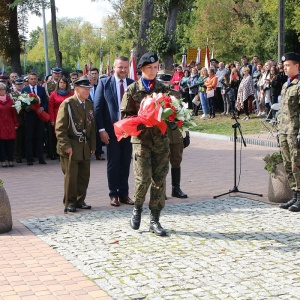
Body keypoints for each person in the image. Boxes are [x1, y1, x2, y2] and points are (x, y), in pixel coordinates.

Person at [121, 52, 170, 236]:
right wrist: (143, 119)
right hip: (141, 141)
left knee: (159, 180)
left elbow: (172, 112)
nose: (153, 71)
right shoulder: (132, 90)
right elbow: (125, 116)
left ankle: (155, 220)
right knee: (143, 179)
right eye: (149, 68)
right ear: (141, 70)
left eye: (155, 67)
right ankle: (137, 208)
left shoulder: (163, 89)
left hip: (160, 141)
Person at [94, 56, 134, 207]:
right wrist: (101, 130)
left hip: (128, 132)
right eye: (120, 67)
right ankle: (113, 194)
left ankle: (124, 194)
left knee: (125, 162)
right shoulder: (104, 83)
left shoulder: (132, 84)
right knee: (113, 163)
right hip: (110, 132)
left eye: (125, 67)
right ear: (114, 68)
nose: (123, 70)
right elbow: (97, 109)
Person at [55, 76, 96, 213]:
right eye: (85, 88)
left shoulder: (89, 103)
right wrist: (66, 146)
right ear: (76, 89)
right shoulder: (68, 104)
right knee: (71, 176)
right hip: (71, 145)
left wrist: (93, 145)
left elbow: (92, 127)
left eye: (89, 88)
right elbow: (60, 128)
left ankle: (80, 200)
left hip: (84, 145)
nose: (87, 91)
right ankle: (70, 202)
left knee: (84, 175)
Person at [277, 52, 300, 212]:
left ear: (297, 66)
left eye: (288, 65)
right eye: (284, 66)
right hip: (284, 130)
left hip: (295, 130)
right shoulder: (286, 85)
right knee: (287, 163)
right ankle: (294, 195)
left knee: (297, 164)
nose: (284, 68)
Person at [22, 72, 48, 165]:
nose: (33, 80)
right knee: (29, 138)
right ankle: (29, 159)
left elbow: (45, 102)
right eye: (31, 79)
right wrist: (27, 107)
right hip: (29, 117)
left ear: (37, 79)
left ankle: (41, 158)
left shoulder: (41, 89)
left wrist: (42, 108)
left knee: (39, 137)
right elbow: (22, 103)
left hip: (39, 117)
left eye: (35, 79)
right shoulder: (25, 90)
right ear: (28, 80)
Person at [49, 77, 74, 158]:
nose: (62, 84)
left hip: (69, 117)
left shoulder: (71, 93)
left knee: (68, 134)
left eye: (64, 83)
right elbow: (51, 108)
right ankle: (57, 153)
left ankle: (67, 151)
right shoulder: (53, 94)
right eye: (60, 83)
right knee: (59, 135)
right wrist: (52, 120)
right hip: (57, 117)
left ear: (66, 84)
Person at [0, 82, 18, 167]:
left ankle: (10, 159)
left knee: (10, 143)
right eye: (0, 89)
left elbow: (14, 113)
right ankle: (3, 160)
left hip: (10, 124)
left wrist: (16, 123)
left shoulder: (10, 100)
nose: (2, 91)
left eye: (3, 89)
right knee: (1, 143)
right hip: (1, 125)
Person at [10, 78, 25, 163]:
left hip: (26, 117)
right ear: (15, 85)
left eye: (21, 84)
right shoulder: (12, 94)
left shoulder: (26, 93)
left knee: (25, 137)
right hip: (17, 117)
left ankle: (24, 154)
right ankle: (17, 155)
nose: (20, 85)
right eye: (18, 84)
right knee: (18, 138)